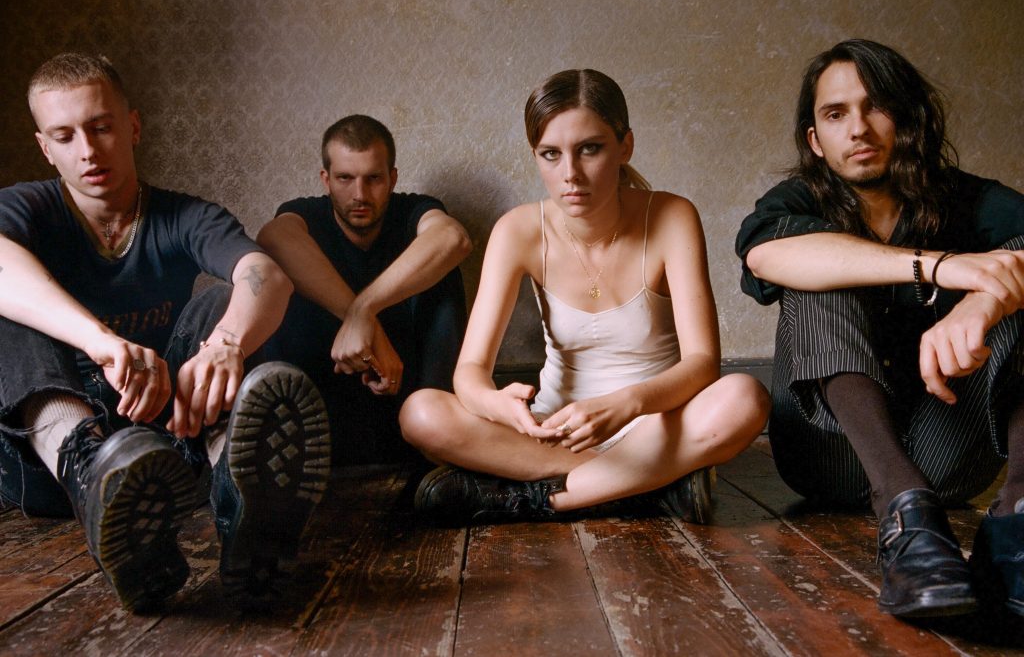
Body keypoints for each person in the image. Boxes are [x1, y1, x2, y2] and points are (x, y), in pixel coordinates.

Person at [0, 53, 330, 611]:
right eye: (65, 136)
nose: (88, 150)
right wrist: (101, 341)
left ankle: (238, 495)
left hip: (163, 453)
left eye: (101, 127)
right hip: (47, 467)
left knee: (224, 303)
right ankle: (93, 481)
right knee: (8, 311)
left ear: (132, 126)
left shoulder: (183, 216)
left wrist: (226, 345)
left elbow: (268, 276)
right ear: (45, 147)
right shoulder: (24, 208)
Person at [400, 69, 770, 524]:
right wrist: (494, 404)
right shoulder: (518, 231)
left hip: (654, 426)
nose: (570, 174)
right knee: (420, 413)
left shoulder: (672, 216)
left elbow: (703, 364)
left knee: (745, 398)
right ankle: (649, 486)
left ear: (625, 146)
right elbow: (470, 372)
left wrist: (626, 405)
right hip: (554, 431)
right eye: (550, 154)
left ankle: (539, 499)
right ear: (535, 155)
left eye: (590, 149)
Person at [736, 39, 1024, 619]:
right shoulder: (796, 201)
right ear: (815, 140)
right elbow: (766, 257)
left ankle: (1018, 519)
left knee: (1013, 268)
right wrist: (939, 267)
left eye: (876, 107)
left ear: (909, 118)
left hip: (947, 451)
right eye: (835, 114)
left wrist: (982, 303)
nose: (858, 129)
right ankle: (904, 514)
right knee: (817, 268)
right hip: (828, 453)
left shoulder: (968, 200)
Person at [258, 115, 471, 464]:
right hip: (324, 397)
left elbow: (454, 239)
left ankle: (440, 441)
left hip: (408, 393)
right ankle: (288, 441)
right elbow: (272, 237)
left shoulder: (412, 210)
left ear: (392, 179)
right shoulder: (305, 215)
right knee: (280, 272)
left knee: (443, 272)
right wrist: (364, 326)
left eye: (373, 178)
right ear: (326, 179)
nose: (360, 194)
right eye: (345, 178)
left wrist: (363, 311)